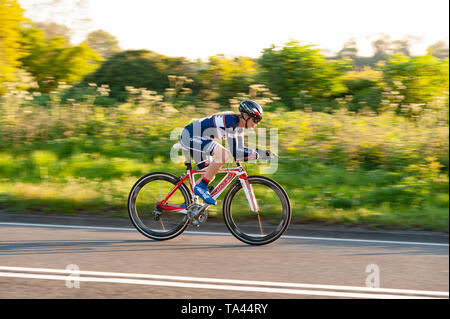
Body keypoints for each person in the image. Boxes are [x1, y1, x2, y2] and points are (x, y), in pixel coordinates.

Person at [179, 100, 274, 205]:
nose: (257, 123)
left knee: (210, 174)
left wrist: (260, 152)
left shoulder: (239, 128)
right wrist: (256, 154)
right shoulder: (230, 122)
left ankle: (189, 204)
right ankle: (201, 188)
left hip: (199, 138)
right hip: (190, 135)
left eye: (259, 120)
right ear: (246, 116)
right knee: (224, 154)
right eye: (255, 119)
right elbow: (235, 151)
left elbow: (240, 149)